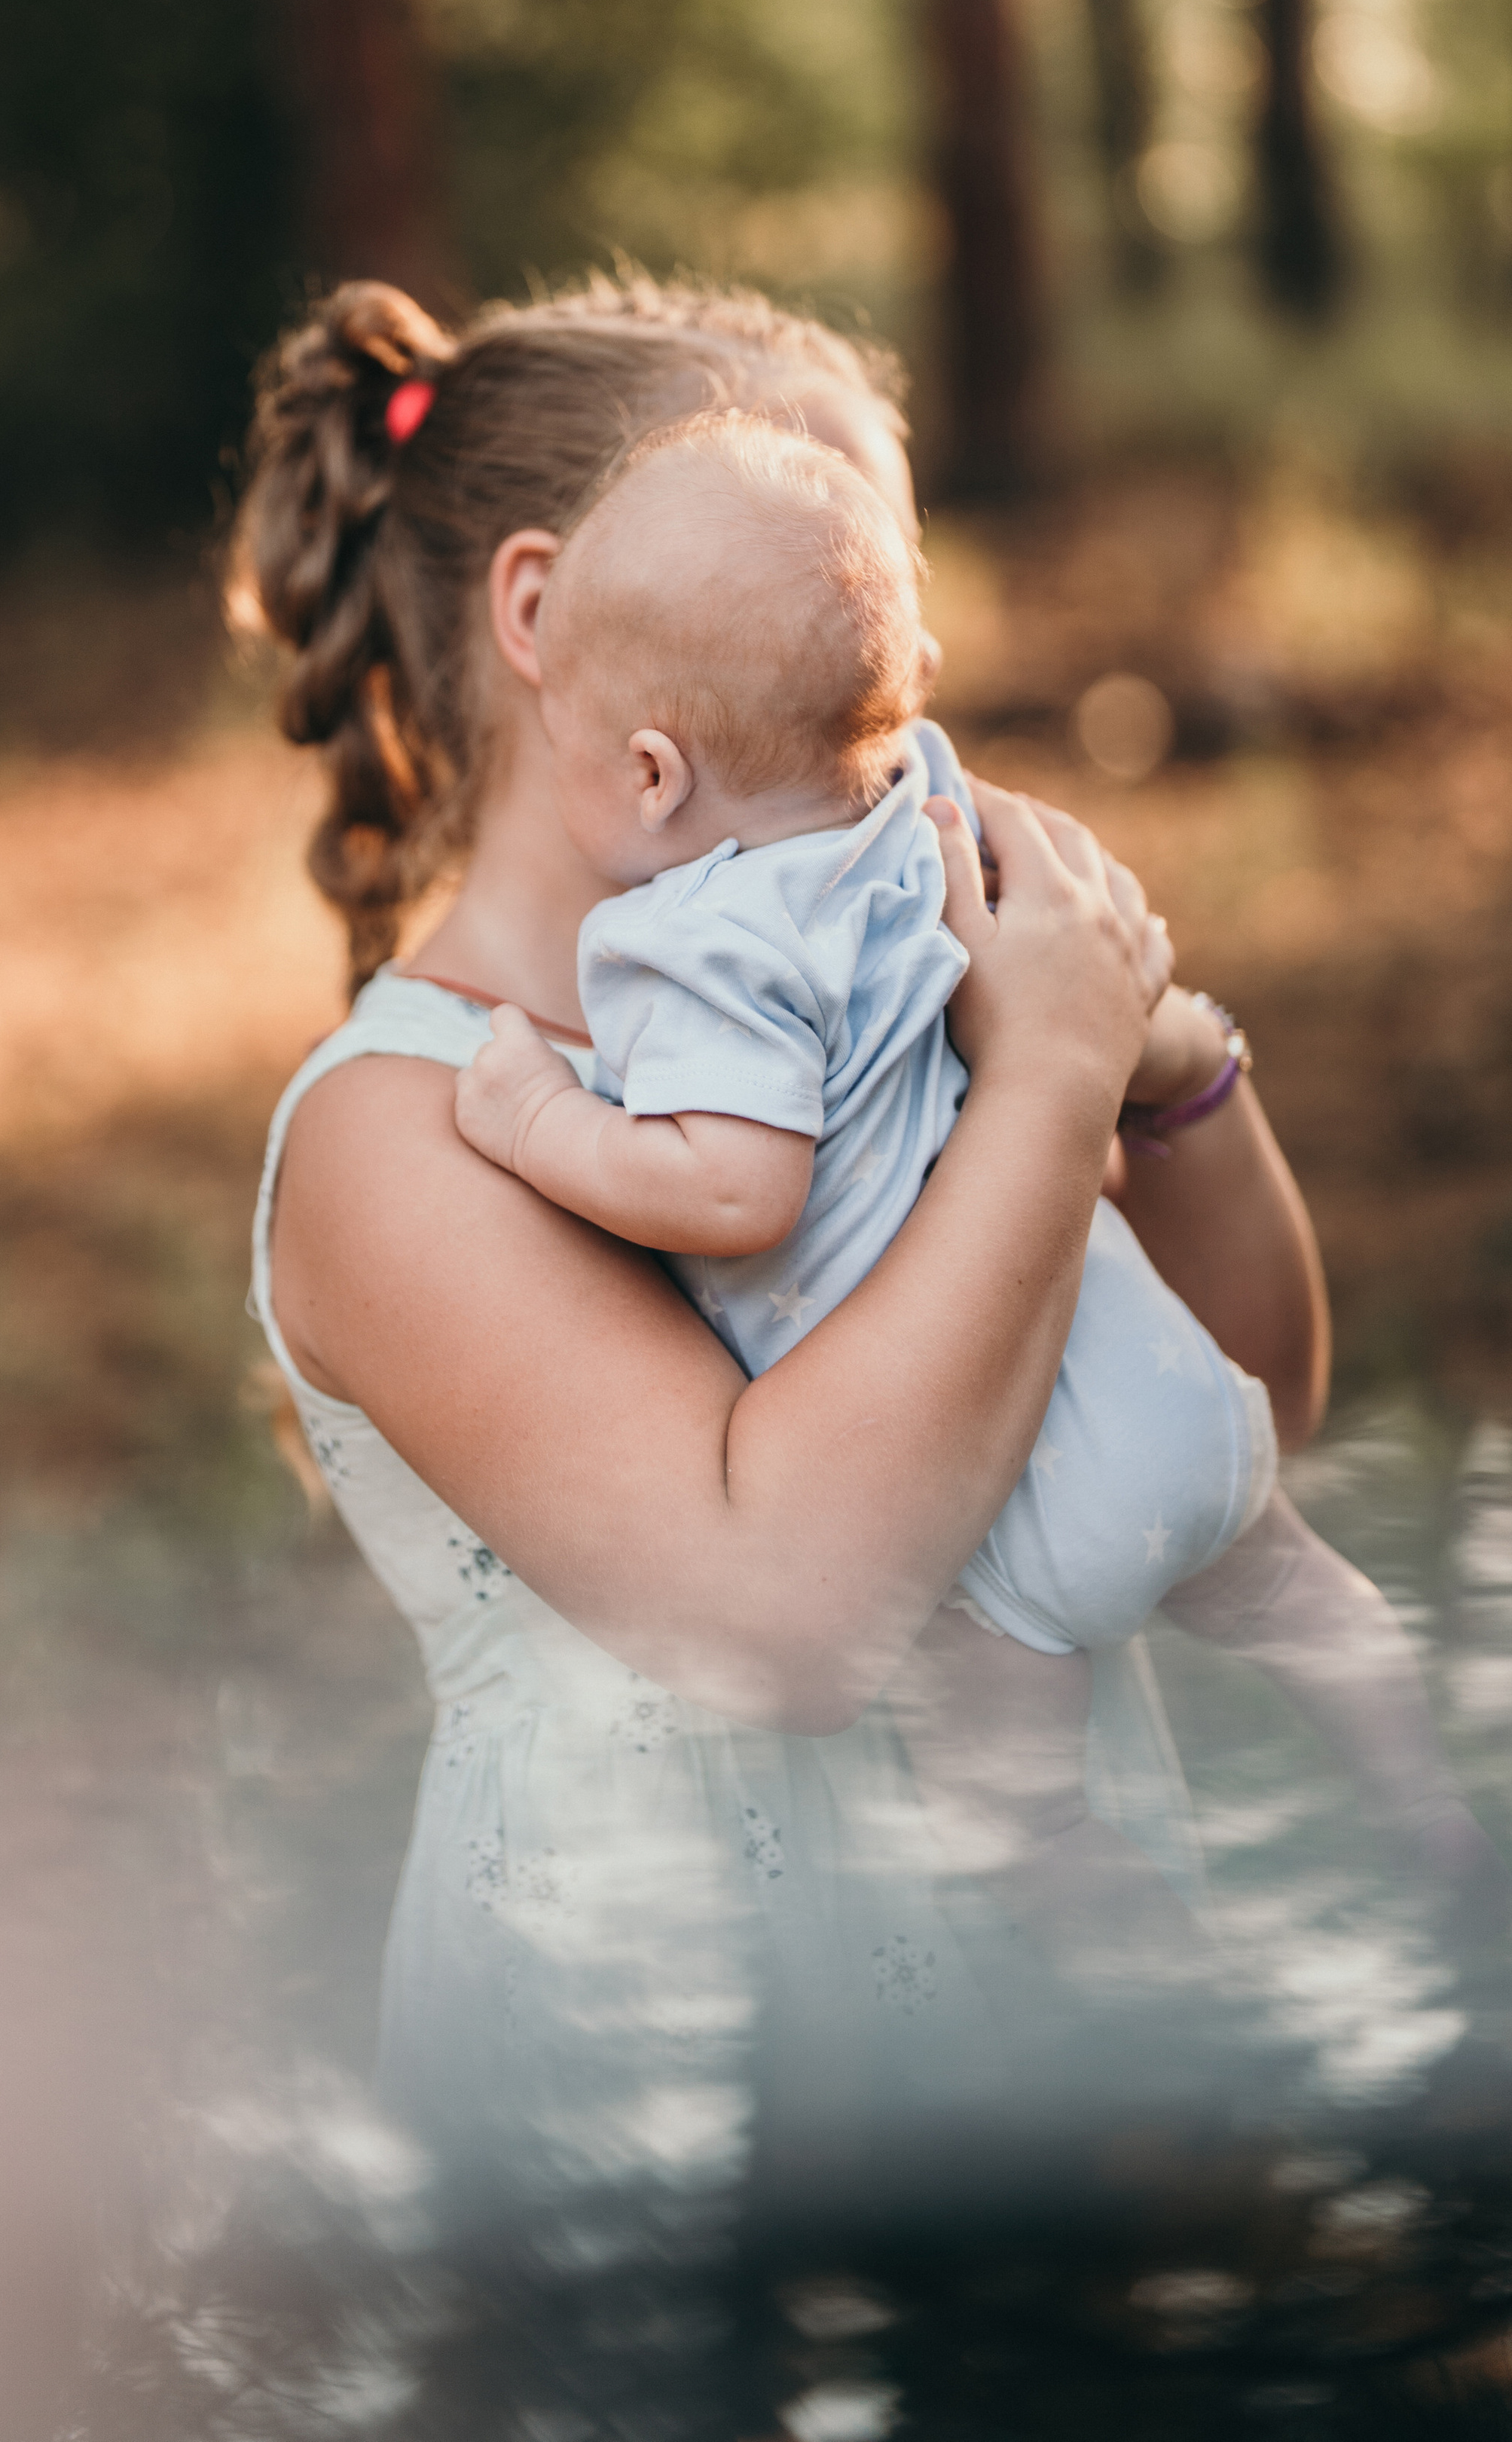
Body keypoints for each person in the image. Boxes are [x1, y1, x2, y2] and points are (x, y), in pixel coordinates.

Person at [234, 272, 1327, 2214]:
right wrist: (1040, 1098)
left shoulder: (921, 980)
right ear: (547, 618)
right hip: (671, 2092)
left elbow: (1249, 1412)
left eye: (886, 649)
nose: (885, 722)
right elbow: (783, 1614)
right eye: (821, 636)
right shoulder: (409, 1133)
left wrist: (1161, 1074)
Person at [448, 405, 1504, 1958]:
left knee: (1008, 1804)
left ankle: (1176, 1998)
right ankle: (1435, 1832)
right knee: (1319, 1616)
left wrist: (539, 1122)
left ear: (652, 771)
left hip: (994, 1509)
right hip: (1151, 1386)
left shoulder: (696, 941)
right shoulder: (930, 815)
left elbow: (736, 1188)